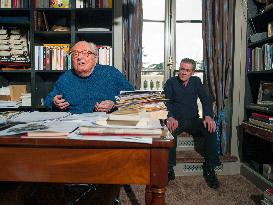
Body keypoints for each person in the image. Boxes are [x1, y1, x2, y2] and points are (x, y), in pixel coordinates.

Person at [163, 58, 221, 189]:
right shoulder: (171, 82)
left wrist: (208, 116)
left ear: (192, 72)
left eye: (187, 70)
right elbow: (166, 102)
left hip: (193, 119)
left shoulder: (196, 81)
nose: (183, 72)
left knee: (210, 128)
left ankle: (210, 167)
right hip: (177, 121)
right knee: (168, 131)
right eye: (182, 69)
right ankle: (169, 168)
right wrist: (170, 117)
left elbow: (205, 99)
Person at [45, 41, 134, 114]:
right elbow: (48, 101)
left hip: (104, 126)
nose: (79, 57)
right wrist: (54, 102)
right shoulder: (65, 78)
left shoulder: (111, 73)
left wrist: (114, 104)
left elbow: (132, 97)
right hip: (73, 127)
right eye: (75, 54)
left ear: (95, 58)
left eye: (85, 53)